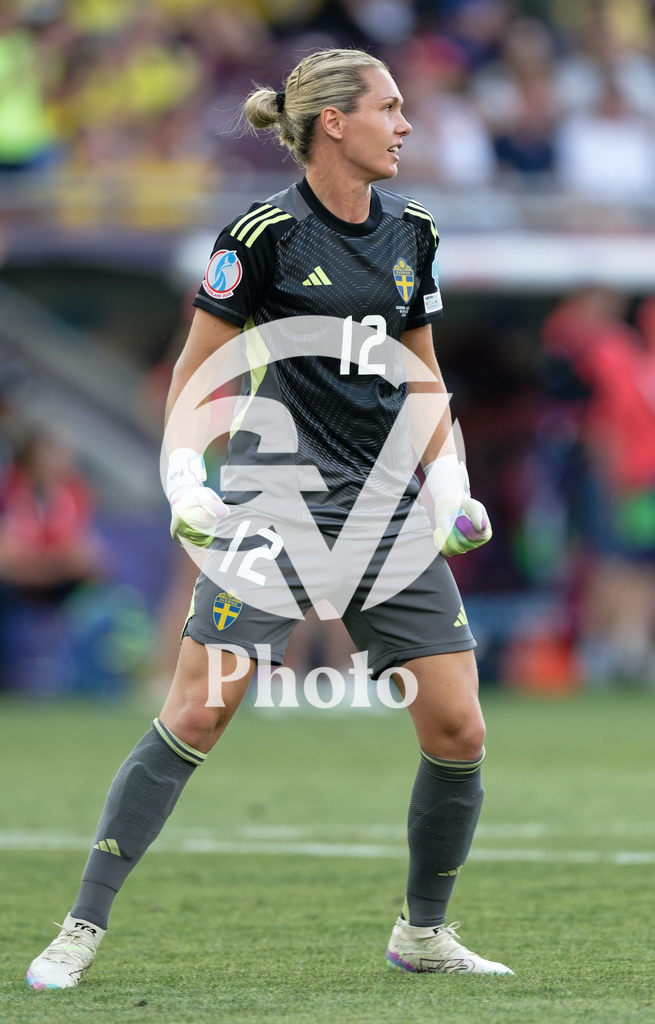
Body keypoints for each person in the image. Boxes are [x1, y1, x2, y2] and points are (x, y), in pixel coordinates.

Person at [26, 47, 513, 989]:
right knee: (200, 713)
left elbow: (423, 376)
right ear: (335, 122)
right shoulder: (260, 236)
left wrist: (448, 485)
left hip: (387, 517)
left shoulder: (413, 230)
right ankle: (79, 926)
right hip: (276, 506)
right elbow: (192, 376)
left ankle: (422, 934)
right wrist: (185, 481)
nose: (407, 124)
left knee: (457, 730)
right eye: (391, 108)